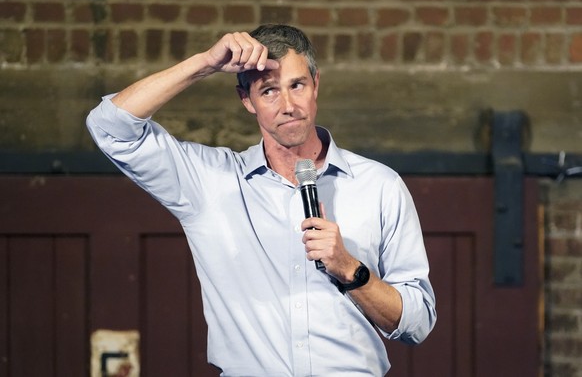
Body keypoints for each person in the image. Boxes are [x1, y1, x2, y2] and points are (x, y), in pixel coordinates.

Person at [86, 24, 436, 376]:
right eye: (268, 91)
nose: (288, 106)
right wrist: (205, 63)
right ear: (246, 101)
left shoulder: (379, 186)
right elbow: (109, 128)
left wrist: (350, 270)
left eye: (297, 85)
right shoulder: (210, 182)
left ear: (316, 85)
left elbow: (417, 323)